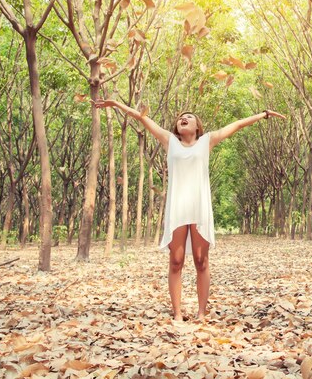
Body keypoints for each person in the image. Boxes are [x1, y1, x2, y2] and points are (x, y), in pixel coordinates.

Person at [93, 99, 285, 321]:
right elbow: (141, 117)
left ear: (197, 127)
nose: (183, 118)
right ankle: (177, 313)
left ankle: (201, 313)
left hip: (199, 207)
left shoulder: (207, 141)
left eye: (189, 117)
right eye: (181, 118)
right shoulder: (168, 140)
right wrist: (115, 103)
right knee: (176, 261)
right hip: (177, 207)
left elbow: (237, 125)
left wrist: (264, 114)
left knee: (201, 261)